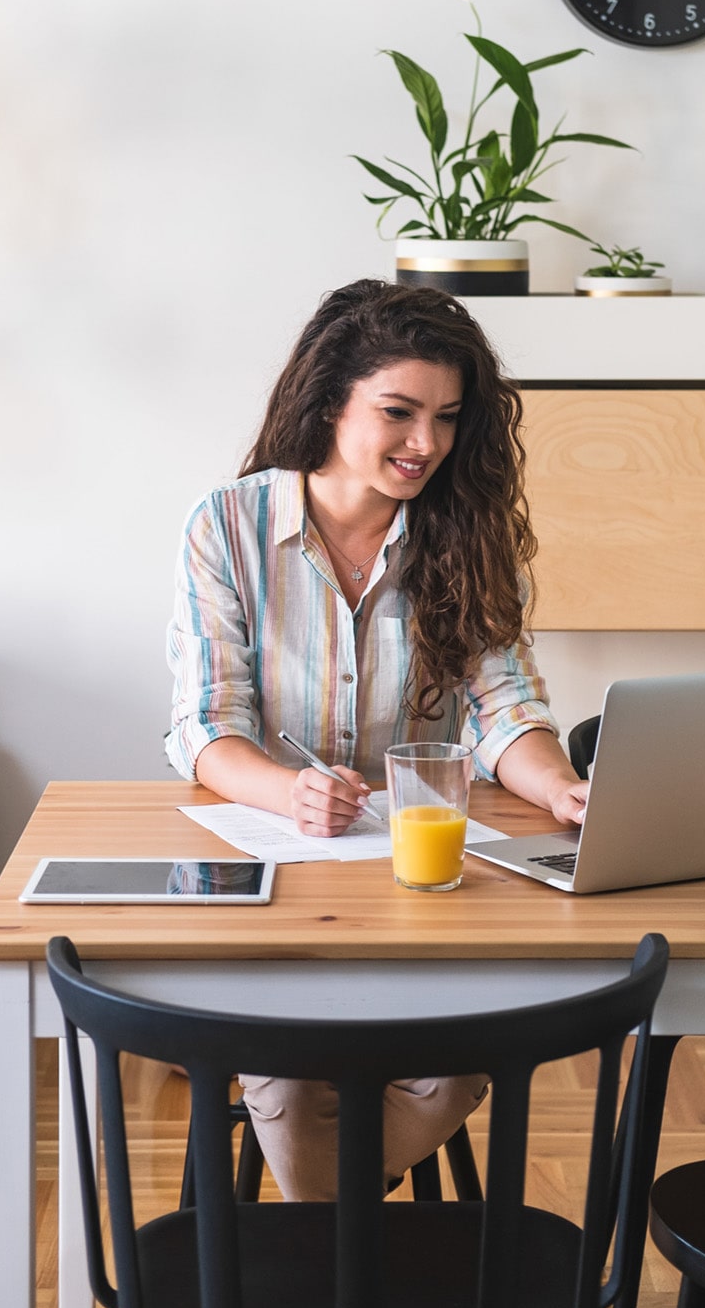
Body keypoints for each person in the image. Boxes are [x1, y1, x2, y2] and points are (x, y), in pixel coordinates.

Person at [165, 278, 589, 1199]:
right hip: (277, 884)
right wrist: (291, 793)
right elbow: (207, 726)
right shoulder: (226, 528)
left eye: (445, 417)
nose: (426, 444)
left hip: (426, 894)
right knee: (288, 1074)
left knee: (469, 1054)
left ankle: (329, 1252)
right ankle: (371, 1257)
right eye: (398, 412)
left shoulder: (471, 535)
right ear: (329, 403)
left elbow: (503, 703)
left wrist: (558, 787)